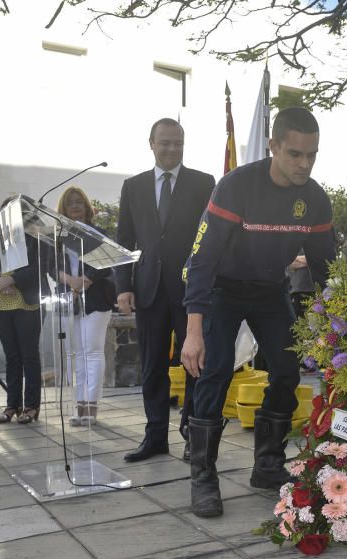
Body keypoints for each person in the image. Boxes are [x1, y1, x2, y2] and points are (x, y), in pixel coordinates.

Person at [181, 107, 336, 518]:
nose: (304, 164)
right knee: (214, 372)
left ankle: (267, 465)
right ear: (273, 147)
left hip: (270, 291)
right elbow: (202, 259)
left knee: (287, 370)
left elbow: (326, 267)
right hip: (221, 290)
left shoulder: (315, 198)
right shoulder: (236, 187)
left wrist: (340, 323)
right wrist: (193, 330)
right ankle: (203, 477)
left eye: (312, 155)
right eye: (295, 154)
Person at [116, 118, 215, 463]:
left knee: (194, 365)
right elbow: (123, 241)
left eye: (178, 143)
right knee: (152, 366)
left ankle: (192, 433)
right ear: (151, 144)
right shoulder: (134, 186)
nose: (172, 149)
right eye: (165, 143)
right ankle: (155, 435)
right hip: (148, 290)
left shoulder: (204, 183)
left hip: (191, 293)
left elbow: (211, 237)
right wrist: (122, 287)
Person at [0, 202, 52, 425]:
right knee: (12, 356)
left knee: (29, 355)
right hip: (0, 300)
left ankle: (31, 407)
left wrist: (13, 279)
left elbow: (40, 266)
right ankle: (12, 405)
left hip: (27, 301)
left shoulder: (38, 238)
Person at [55, 186, 116, 426]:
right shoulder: (57, 236)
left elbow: (106, 262)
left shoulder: (98, 233)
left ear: (87, 206)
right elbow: (50, 265)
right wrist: (70, 281)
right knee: (76, 355)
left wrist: (86, 280)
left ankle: (91, 407)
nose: (75, 206)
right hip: (68, 297)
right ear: (64, 209)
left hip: (96, 298)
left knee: (92, 351)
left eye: (79, 201)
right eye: (70, 202)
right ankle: (78, 405)